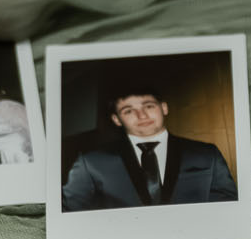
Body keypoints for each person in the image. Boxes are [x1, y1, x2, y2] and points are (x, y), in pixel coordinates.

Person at [58, 87, 237, 210]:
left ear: (164, 108)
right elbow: (70, 213)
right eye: (128, 111)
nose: (141, 115)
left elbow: (228, 207)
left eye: (149, 106)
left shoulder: (206, 154)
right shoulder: (91, 162)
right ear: (116, 119)